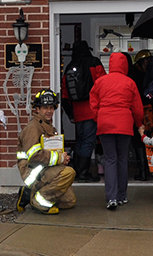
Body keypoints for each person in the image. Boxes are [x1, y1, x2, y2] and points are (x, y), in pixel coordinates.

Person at [90, 53, 145, 210]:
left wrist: (98, 118)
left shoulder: (101, 82)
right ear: (125, 65)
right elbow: (138, 108)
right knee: (122, 159)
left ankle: (111, 197)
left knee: (110, 159)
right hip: (124, 123)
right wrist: (139, 123)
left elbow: (93, 103)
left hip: (105, 123)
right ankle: (122, 195)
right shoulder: (130, 82)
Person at [14, 89, 76, 215]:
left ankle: (29, 194)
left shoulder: (48, 126)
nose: (49, 111)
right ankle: (39, 201)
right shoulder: (33, 128)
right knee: (69, 173)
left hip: (44, 167)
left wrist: (62, 156)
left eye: (51, 108)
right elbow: (35, 156)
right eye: (45, 108)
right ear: (37, 109)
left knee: (69, 202)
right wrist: (59, 159)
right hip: (32, 171)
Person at [61, 40, 106, 183]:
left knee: (81, 140)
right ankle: (83, 173)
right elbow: (102, 83)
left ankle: (78, 170)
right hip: (91, 109)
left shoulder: (70, 66)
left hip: (77, 110)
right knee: (88, 141)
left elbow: (64, 93)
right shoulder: (94, 62)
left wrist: (70, 113)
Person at [124, 50, 153, 181]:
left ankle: (147, 171)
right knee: (141, 139)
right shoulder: (137, 76)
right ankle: (145, 171)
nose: (148, 63)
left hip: (146, 110)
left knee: (146, 139)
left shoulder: (135, 75)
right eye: (146, 60)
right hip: (140, 110)